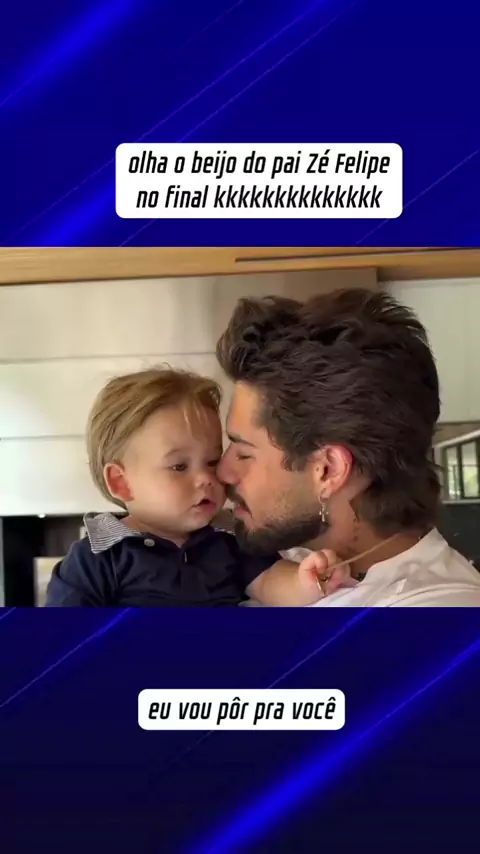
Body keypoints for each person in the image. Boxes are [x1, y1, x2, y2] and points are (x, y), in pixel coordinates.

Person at [216, 288, 480, 607]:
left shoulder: (437, 613)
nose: (222, 471)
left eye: (244, 453)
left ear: (329, 470)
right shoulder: (284, 554)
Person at [45, 368, 351, 607]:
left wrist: (307, 581)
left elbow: (271, 583)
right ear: (121, 482)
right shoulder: (97, 557)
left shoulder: (228, 539)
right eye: (179, 466)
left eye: (212, 461)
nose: (206, 478)